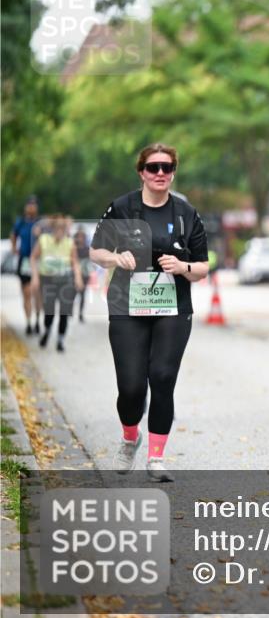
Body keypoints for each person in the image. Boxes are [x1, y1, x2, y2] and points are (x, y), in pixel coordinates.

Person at [89, 143, 209, 482]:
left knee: (162, 378)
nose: (160, 174)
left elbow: (203, 267)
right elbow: (96, 251)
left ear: (173, 172)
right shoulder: (123, 207)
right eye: (153, 167)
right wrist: (116, 259)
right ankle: (130, 436)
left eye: (167, 168)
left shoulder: (186, 214)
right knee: (130, 388)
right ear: (141, 171)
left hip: (173, 308)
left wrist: (183, 265)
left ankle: (156, 458)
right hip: (127, 304)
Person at [30, 215, 84, 352]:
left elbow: (75, 262)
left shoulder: (69, 243)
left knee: (65, 312)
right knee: (49, 312)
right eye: (58, 229)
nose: (60, 232)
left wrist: (78, 277)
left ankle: (60, 340)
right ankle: (47, 331)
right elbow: (33, 258)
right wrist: (35, 277)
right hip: (47, 279)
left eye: (63, 229)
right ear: (53, 229)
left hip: (65, 280)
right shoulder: (43, 240)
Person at [10, 198, 41, 335]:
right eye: (29, 205)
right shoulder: (20, 222)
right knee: (27, 293)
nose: (31, 207)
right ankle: (29, 322)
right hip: (25, 260)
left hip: (39, 261)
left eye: (33, 205)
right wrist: (14, 248)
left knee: (38, 293)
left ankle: (38, 321)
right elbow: (13, 234)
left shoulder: (41, 223)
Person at [73, 226, 91, 321]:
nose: (80, 238)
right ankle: (70, 312)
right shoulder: (73, 248)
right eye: (78, 236)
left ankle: (80, 313)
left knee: (82, 294)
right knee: (72, 293)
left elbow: (89, 262)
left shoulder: (87, 249)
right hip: (74, 274)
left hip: (84, 274)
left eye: (82, 236)